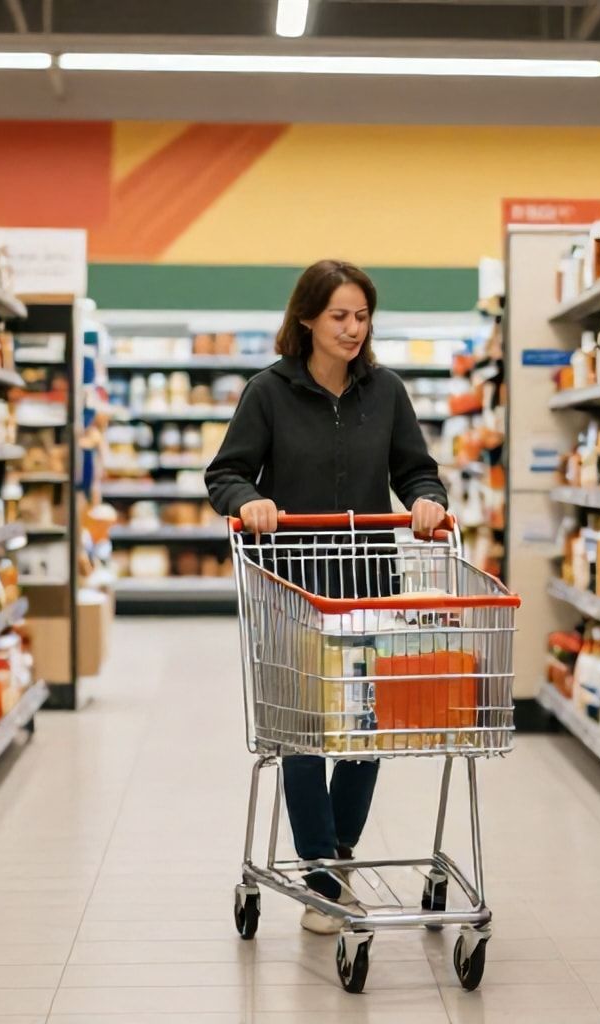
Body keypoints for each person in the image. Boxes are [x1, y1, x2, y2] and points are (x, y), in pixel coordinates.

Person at [206, 259, 448, 934]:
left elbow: (416, 470)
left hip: (369, 585)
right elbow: (225, 473)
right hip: (291, 587)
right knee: (304, 736)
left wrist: (427, 500)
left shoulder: (386, 391)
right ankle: (320, 870)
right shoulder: (268, 392)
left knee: (365, 732)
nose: (351, 328)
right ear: (307, 318)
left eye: (362, 316)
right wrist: (249, 500)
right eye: (338, 315)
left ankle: (338, 854)